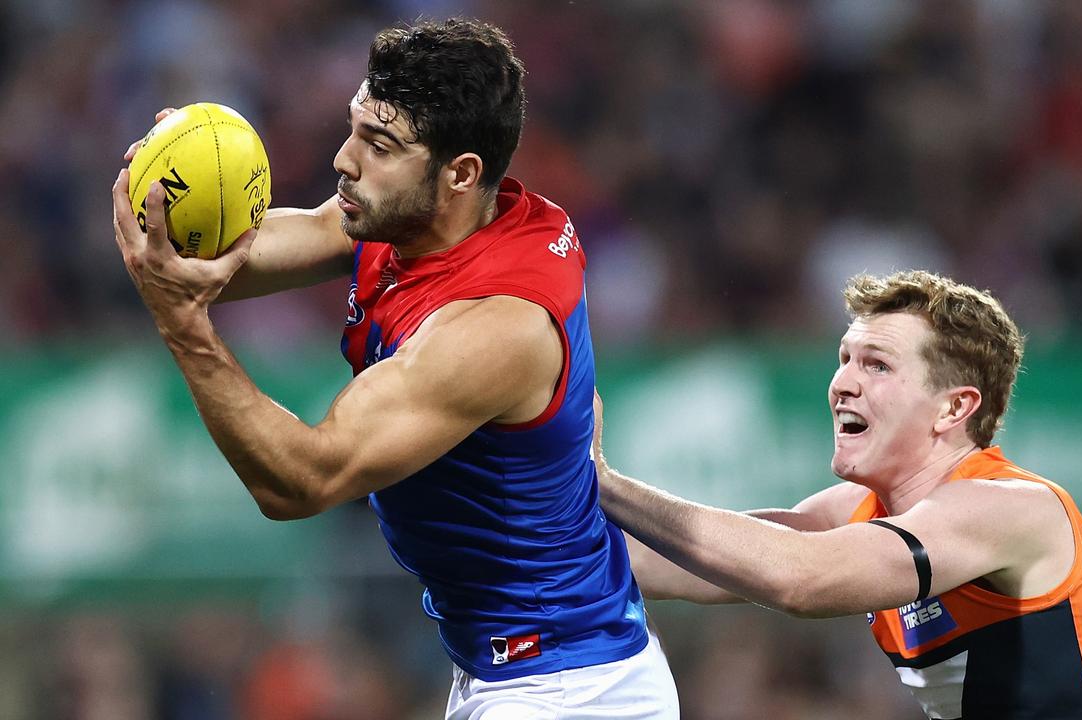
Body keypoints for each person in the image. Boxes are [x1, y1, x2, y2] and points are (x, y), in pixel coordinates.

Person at [111, 17, 677, 719]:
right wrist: (173, 203)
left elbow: (303, 481)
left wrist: (182, 325)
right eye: (355, 128)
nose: (345, 161)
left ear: (460, 173)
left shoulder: (494, 326)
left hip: (570, 691)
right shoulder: (417, 219)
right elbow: (220, 262)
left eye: (380, 145)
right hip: (519, 671)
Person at [592, 270, 1082, 719]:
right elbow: (669, 562)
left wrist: (606, 482)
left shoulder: (1012, 508)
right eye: (844, 360)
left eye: (877, 365)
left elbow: (800, 578)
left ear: (954, 408)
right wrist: (530, 507)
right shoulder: (857, 511)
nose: (843, 383)